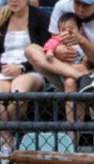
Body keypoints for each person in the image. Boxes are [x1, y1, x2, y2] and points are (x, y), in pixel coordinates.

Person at [0, 0, 50, 158]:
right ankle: (7, 140)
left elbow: (46, 51)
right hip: (4, 69)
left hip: (31, 68)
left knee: (17, 96)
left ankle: (13, 137)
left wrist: (23, 67)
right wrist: (0, 67)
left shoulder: (41, 17)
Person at [25, 0, 94, 138]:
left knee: (70, 82)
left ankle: (72, 143)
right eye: (77, 3)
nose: (80, 9)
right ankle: (81, 76)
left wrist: (81, 40)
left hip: (89, 66)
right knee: (31, 50)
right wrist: (57, 50)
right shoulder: (62, 7)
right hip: (66, 68)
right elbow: (54, 41)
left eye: (86, 5)